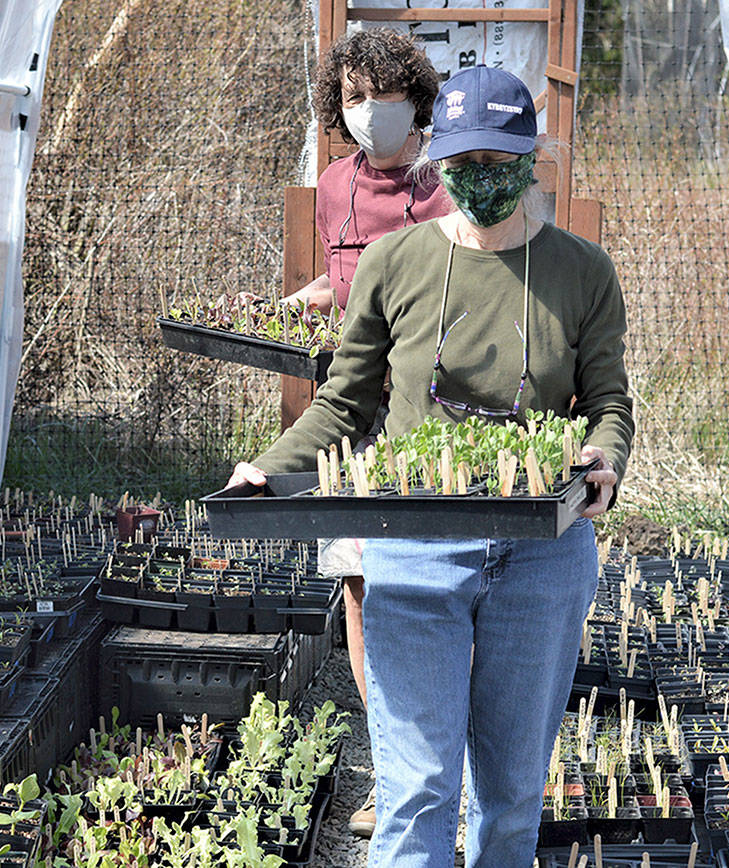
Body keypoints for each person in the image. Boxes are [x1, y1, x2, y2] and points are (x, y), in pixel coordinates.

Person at [228, 65, 633, 867]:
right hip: (413, 546)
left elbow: (609, 404)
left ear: (530, 157)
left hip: (541, 553)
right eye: (463, 162)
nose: (482, 179)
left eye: (499, 161)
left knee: (512, 797)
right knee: (416, 793)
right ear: (435, 161)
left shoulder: (583, 271)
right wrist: (268, 470)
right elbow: (344, 405)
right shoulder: (394, 262)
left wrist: (602, 459)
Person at [286, 29, 453, 839]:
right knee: (359, 593)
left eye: (381, 96)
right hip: (356, 416)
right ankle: (395, 778)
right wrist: (310, 300)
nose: (366, 113)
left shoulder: (446, 186)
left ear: (416, 101)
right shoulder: (332, 183)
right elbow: (350, 278)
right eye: (352, 97)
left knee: (430, 593)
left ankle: (446, 784)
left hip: (434, 423)